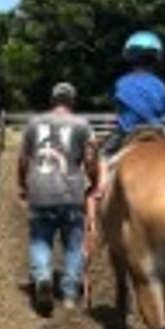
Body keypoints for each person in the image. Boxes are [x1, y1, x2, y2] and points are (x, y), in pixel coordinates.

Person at [18, 82, 101, 315]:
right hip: (71, 194)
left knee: (40, 241)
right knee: (74, 245)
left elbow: (23, 160)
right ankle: (69, 295)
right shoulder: (83, 125)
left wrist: (22, 185)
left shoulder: (33, 123)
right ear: (72, 101)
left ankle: (43, 277)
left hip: (40, 192)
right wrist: (94, 183)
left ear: (52, 100)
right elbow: (91, 160)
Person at [101, 30, 165, 157]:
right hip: (156, 130)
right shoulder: (160, 84)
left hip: (128, 131)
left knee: (103, 157)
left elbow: (117, 106)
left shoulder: (121, 82)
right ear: (156, 59)